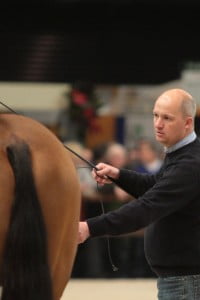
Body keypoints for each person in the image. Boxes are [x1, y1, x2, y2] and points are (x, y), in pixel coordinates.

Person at [78, 88, 200, 299]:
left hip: (185, 283)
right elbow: (155, 185)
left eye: (167, 118)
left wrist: (89, 227)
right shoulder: (180, 153)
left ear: (188, 123)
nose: (158, 124)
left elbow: (148, 206)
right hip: (182, 280)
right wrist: (118, 175)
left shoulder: (189, 164)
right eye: (155, 115)